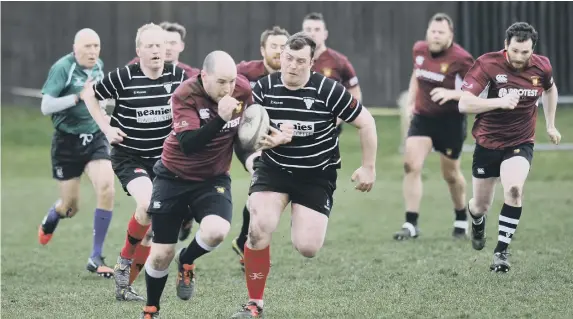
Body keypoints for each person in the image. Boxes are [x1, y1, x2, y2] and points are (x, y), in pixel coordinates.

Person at [230, 32, 378, 318]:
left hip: (316, 174)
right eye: (288, 58)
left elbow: (367, 122)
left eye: (300, 61)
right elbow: (246, 128)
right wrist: (267, 140)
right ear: (280, 57)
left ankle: (301, 217)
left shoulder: (328, 89)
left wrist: (368, 167)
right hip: (273, 169)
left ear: (312, 63)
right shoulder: (262, 88)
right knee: (259, 227)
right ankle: (254, 303)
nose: (293, 65)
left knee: (307, 247)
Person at [139, 50, 292, 318]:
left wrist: (251, 158)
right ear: (205, 76)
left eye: (232, 81)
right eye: (222, 82)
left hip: (212, 178)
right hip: (172, 176)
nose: (229, 88)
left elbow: (243, 134)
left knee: (217, 231)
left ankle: (186, 261)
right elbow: (189, 145)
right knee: (162, 253)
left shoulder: (242, 90)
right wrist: (221, 117)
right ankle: (151, 308)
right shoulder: (184, 95)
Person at [82, 23, 187, 301]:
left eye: (160, 45)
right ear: (138, 50)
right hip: (130, 156)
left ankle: (124, 284)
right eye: (150, 45)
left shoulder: (178, 77)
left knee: (155, 227)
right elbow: (89, 94)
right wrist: (106, 128)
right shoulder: (124, 76)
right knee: (147, 204)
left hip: (165, 161)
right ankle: (125, 259)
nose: (156, 50)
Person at [459, 22, 560, 272]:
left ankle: (501, 252)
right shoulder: (487, 64)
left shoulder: (542, 66)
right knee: (479, 205)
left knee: (514, 190)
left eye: (525, 52)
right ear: (506, 46)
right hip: (487, 142)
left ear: (532, 49)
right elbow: (464, 104)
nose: (519, 57)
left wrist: (551, 125)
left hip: (520, 141)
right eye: (515, 51)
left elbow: (550, 89)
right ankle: (478, 222)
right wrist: (499, 102)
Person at [37, 28, 115, 279]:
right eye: (87, 47)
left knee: (106, 187)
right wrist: (76, 98)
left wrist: (107, 116)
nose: (93, 52)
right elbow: (46, 106)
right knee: (71, 208)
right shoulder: (63, 68)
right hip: (66, 143)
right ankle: (54, 214)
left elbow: (98, 101)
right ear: (75, 48)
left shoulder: (99, 66)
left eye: (96, 46)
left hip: (94, 138)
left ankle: (96, 256)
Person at [393, 13, 475, 241]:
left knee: (450, 174)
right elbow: (416, 75)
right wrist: (410, 102)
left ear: (451, 35)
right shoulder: (419, 49)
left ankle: (461, 218)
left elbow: (476, 91)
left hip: (450, 122)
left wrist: (451, 93)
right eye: (433, 31)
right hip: (423, 119)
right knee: (411, 165)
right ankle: (411, 224)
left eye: (441, 32)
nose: (436, 36)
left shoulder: (462, 59)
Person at [229, 25, 290, 272]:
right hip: (249, 140)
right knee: (260, 178)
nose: (278, 51)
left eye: (283, 47)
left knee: (262, 192)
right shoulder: (244, 72)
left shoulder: (294, 75)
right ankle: (250, 243)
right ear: (262, 49)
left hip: (280, 141)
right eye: (273, 46)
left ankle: (243, 240)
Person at [302, 12, 362, 134]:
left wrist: (339, 118)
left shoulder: (339, 61)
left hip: (328, 126)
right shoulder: (294, 60)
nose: (312, 33)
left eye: (317, 29)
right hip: (299, 124)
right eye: (308, 29)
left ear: (325, 34)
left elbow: (355, 94)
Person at [128, 21, 200, 78]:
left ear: (182, 46)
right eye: (164, 42)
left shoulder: (192, 75)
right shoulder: (136, 67)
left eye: (173, 43)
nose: (168, 48)